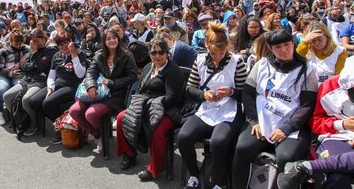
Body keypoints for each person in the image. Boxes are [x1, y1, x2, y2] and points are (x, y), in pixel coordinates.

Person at [232, 29, 318, 189]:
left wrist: (286, 128)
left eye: (287, 44)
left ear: (293, 44)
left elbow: (307, 106)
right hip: (262, 119)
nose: (284, 50)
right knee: (242, 148)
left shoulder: (307, 70)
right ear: (271, 49)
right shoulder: (262, 65)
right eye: (278, 47)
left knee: (286, 157)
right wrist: (253, 121)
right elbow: (248, 93)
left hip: (292, 124)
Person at [179, 22, 248, 189]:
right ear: (206, 46)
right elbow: (189, 89)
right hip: (208, 108)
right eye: (213, 53)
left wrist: (231, 92)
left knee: (219, 141)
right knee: (183, 137)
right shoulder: (200, 60)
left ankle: (220, 181)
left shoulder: (237, 62)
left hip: (229, 110)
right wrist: (204, 95)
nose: (217, 57)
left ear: (227, 47)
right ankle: (194, 175)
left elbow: (246, 93)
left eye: (222, 52)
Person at [278, 56, 354, 189]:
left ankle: (305, 167)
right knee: (337, 179)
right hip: (337, 137)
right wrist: (340, 124)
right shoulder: (329, 87)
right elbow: (314, 122)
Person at [116, 38, 185, 182]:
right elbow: (141, 90)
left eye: (161, 52)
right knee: (123, 117)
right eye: (153, 52)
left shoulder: (174, 71)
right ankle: (129, 154)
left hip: (168, 109)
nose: (157, 56)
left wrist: (148, 105)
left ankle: (156, 167)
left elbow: (171, 98)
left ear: (167, 53)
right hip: (147, 105)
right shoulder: (148, 67)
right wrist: (140, 106)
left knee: (157, 131)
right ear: (149, 54)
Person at [69, 29, 137, 152]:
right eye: (108, 38)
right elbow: (90, 72)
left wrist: (112, 83)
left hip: (115, 95)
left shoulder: (127, 56)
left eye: (114, 37)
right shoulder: (100, 55)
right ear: (104, 41)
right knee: (74, 111)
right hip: (97, 91)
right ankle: (98, 134)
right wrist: (91, 86)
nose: (112, 40)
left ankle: (101, 134)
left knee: (90, 114)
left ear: (118, 38)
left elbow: (132, 77)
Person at [28, 34, 89, 144]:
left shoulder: (79, 54)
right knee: (33, 101)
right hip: (57, 84)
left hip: (73, 86)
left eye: (66, 43)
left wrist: (74, 55)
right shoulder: (57, 56)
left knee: (47, 103)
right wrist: (50, 89)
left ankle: (61, 127)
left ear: (70, 42)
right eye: (60, 45)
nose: (64, 47)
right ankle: (60, 123)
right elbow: (51, 75)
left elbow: (81, 74)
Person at [3, 29, 58, 136]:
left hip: (41, 81)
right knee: (7, 96)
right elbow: (24, 65)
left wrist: (35, 55)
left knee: (26, 100)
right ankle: (20, 120)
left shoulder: (51, 50)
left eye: (37, 41)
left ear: (44, 38)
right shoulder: (33, 50)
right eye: (33, 41)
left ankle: (34, 124)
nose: (35, 43)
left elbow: (42, 66)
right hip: (27, 79)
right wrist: (34, 60)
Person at [0, 30, 30, 125]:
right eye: (16, 43)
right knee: (2, 88)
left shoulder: (25, 49)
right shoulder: (2, 52)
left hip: (18, 75)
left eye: (20, 43)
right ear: (10, 40)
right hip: (3, 75)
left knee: (19, 87)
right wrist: (10, 73)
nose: (18, 45)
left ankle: (19, 111)